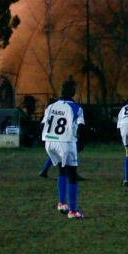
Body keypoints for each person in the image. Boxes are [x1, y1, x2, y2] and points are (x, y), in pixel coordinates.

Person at [41, 77, 85, 219]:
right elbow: (81, 127)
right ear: (73, 93)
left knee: (61, 171)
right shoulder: (76, 108)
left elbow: (42, 125)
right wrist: (81, 142)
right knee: (72, 176)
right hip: (65, 142)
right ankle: (72, 211)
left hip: (49, 142)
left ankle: (62, 204)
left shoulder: (51, 106)